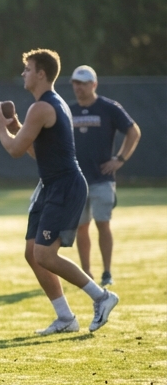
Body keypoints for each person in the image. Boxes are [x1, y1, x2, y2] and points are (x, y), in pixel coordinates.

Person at [0, 50, 119, 334]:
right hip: (51, 184)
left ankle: (102, 296)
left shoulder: (42, 107)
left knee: (45, 255)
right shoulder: (48, 106)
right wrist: (16, 127)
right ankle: (65, 318)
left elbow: (14, 150)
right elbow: (37, 152)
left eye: (27, 69)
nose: (23, 74)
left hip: (65, 185)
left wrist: (1, 128)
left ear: (41, 74)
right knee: (32, 253)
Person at [67, 65, 141, 286]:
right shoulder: (68, 110)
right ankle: (86, 273)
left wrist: (119, 159)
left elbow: (133, 131)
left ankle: (107, 272)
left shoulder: (108, 108)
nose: (78, 87)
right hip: (78, 180)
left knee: (103, 223)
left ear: (94, 84)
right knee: (81, 226)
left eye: (82, 83)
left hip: (101, 178)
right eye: (75, 83)